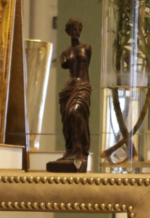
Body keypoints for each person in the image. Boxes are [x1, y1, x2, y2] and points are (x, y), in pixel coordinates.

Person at [58, 18, 92, 168]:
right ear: (68, 32)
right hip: (68, 89)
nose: (77, 32)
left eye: (79, 29)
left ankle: (79, 152)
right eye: (74, 29)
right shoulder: (65, 53)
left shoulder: (87, 48)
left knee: (74, 112)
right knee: (67, 122)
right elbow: (64, 65)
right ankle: (70, 152)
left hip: (83, 86)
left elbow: (86, 66)